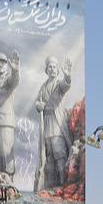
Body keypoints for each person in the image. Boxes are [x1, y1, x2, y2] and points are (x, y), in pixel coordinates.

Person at [34, 55, 74, 189]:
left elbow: (65, 85)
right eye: (49, 67)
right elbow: (37, 102)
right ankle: (51, 186)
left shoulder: (59, 84)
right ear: (46, 69)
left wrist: (67, 76)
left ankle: (63, 184)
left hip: (57, 124)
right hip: (46, 123)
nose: (52, 69)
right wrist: (38, 105)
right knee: (49, 156)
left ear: (57, 70)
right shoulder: (43, 86)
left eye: (54, 67)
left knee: (59, 154)